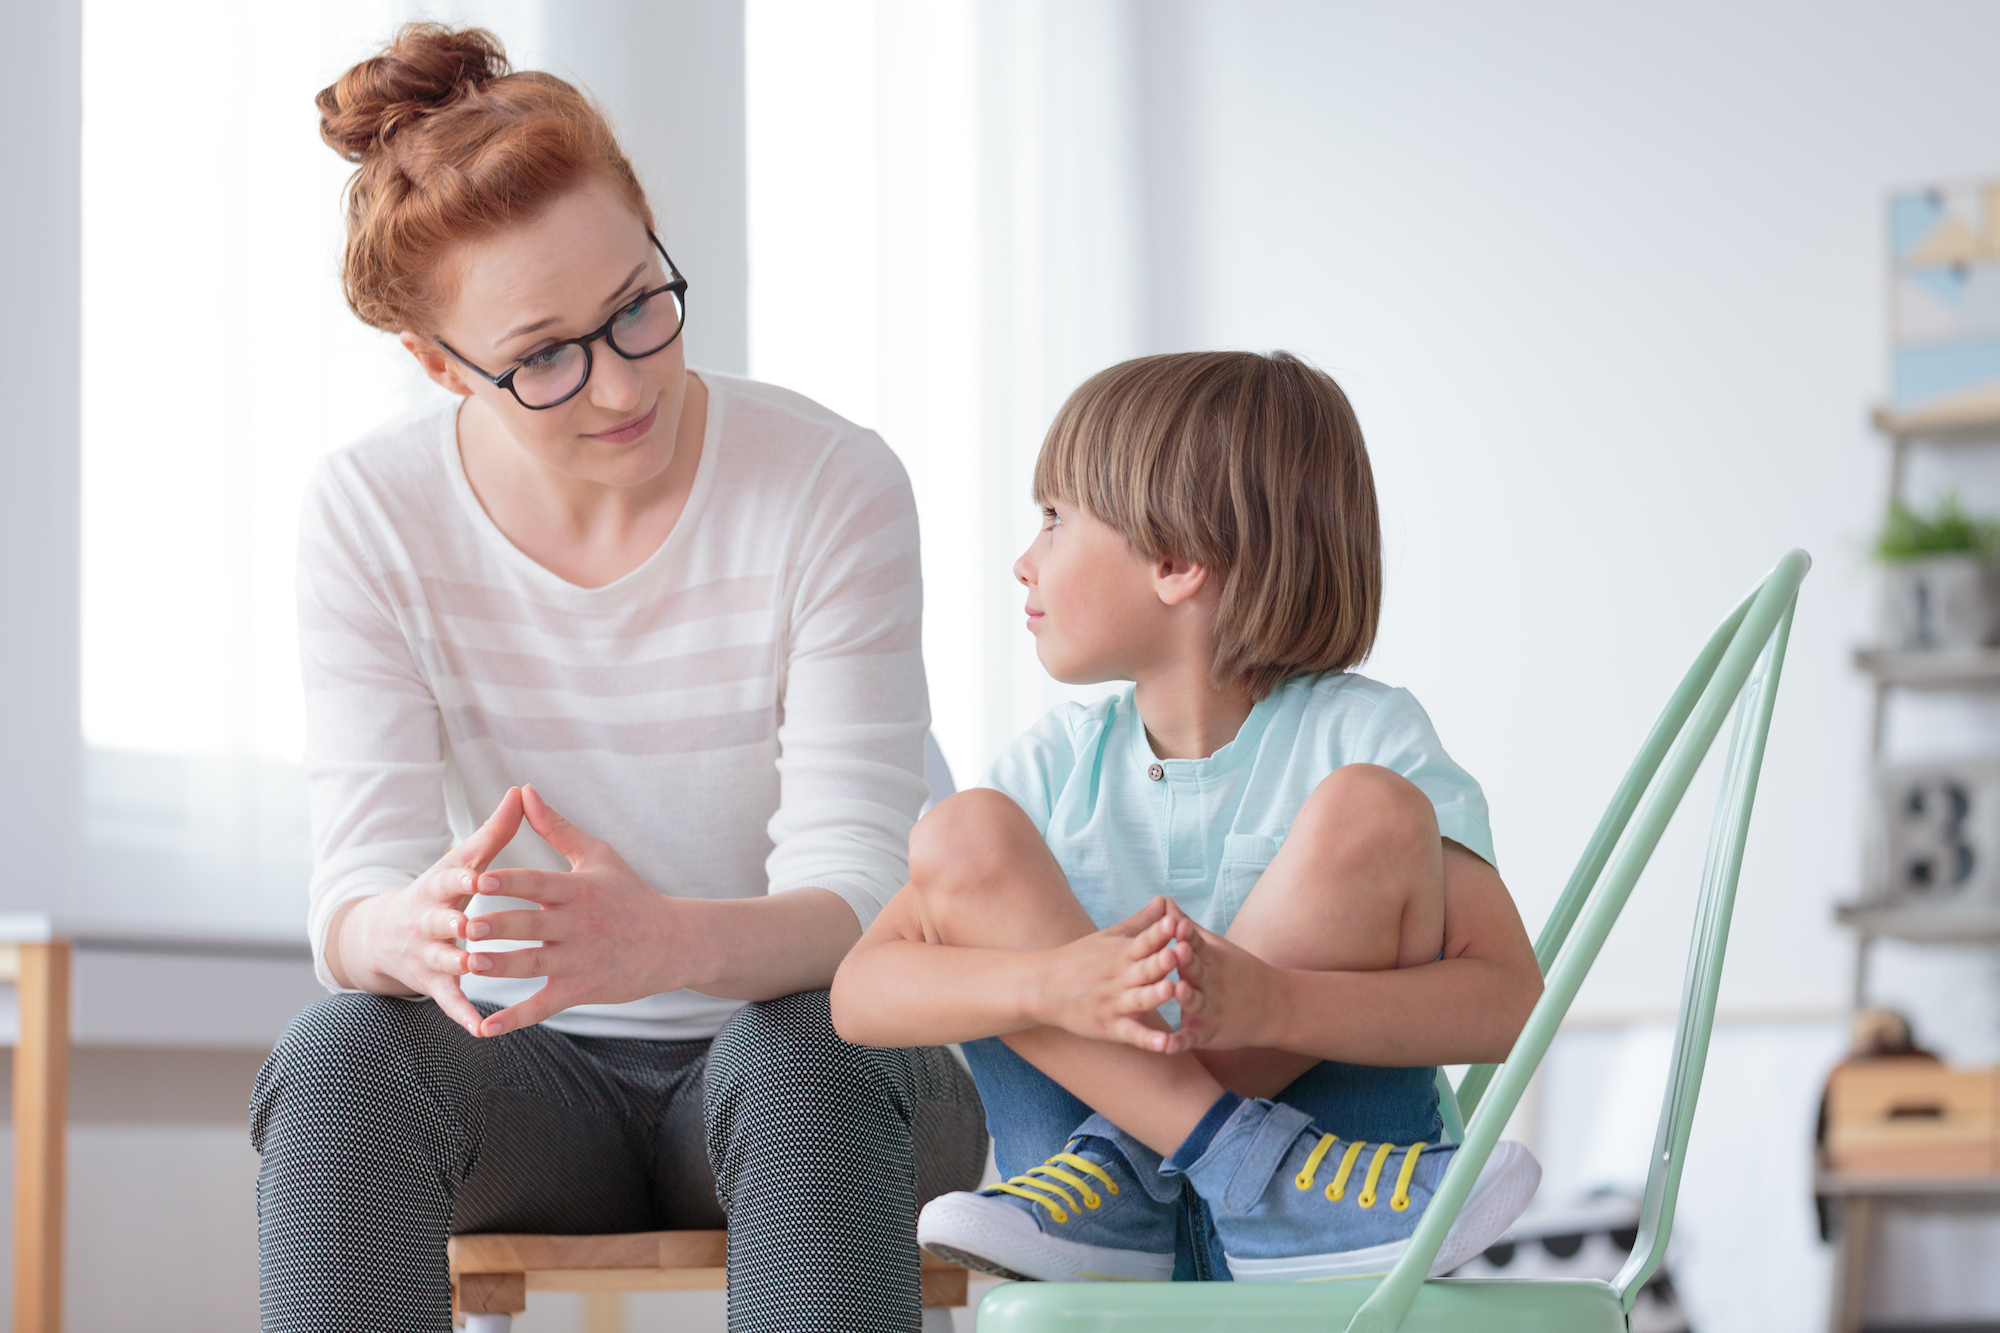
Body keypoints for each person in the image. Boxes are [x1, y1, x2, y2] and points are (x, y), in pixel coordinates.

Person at [249, 24, 984, 1333]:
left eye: (640, 305)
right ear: (439, 366)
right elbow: (348, 901)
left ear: (654, 238)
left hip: (816, 1062)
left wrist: (667, 943)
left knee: (806, 1043)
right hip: (535, 1085)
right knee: (341, 1053)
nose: (623, 382)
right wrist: (400, 929)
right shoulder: (371, 512)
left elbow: (862, 899)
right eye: (544, 358)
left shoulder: (830, 485)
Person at [830, 350, 1545, 1284]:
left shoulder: (1366, 741)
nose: (1025, 558)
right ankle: (1203, 1177)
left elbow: (1508, 1006)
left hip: (1348, 1224)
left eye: (1054, 520)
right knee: (961, 832)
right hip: (1094, 1233)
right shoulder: (1050, 771)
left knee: (1369, 810)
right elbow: (860, 994)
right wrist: (1054, 983)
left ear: (1175, 560)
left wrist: (1278, 999)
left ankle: (1166, 1172)